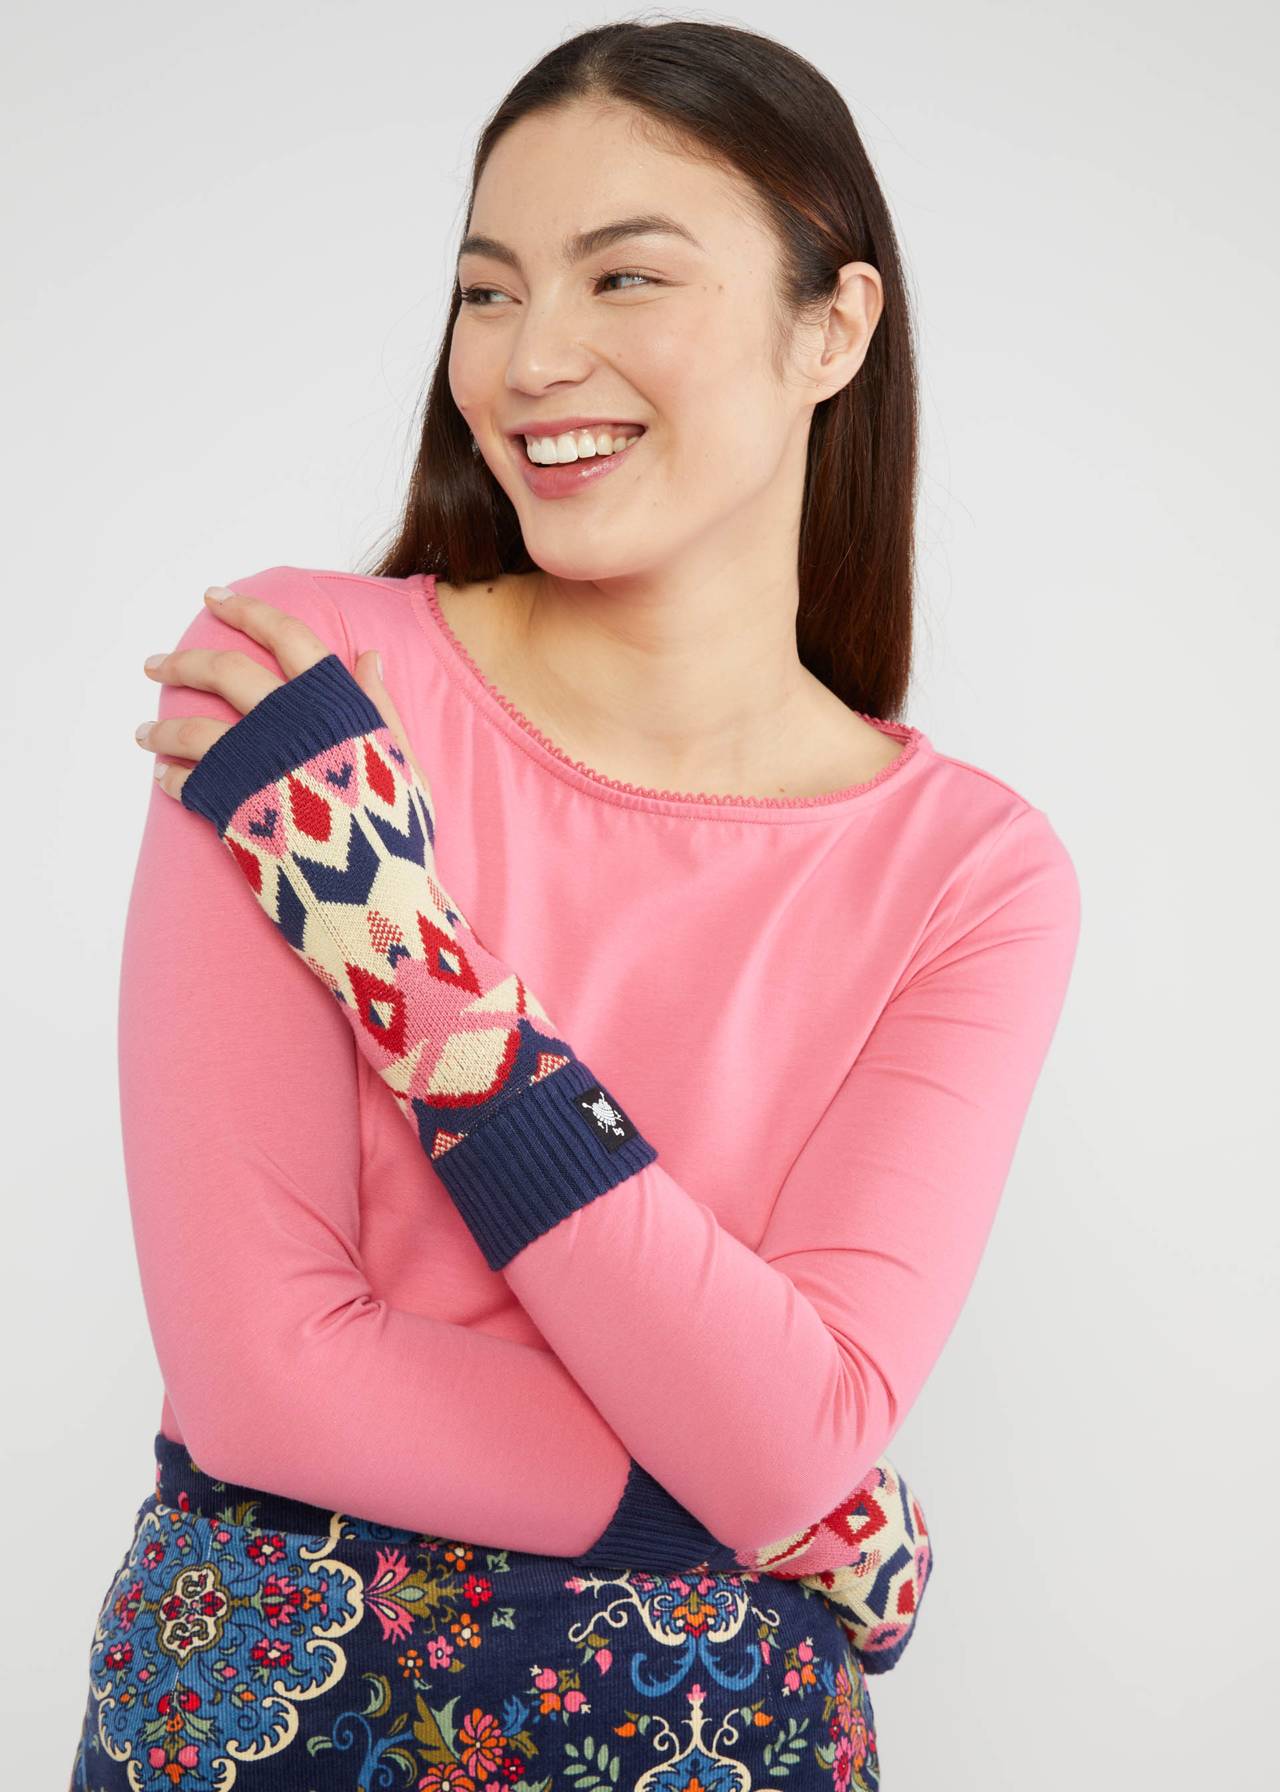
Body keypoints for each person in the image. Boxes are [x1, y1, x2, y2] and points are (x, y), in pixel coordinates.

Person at [69, 20, 1080, 1791]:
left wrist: (405, 959)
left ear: (834, 328)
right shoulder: (306, 678)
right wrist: (787, 1513)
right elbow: (261, 1375)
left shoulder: (970, 874)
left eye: (625, 276)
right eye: (488, 290)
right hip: (285, 1716)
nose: (533, 358)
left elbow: (804, 1428)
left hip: (721, 1739)